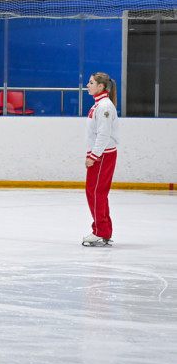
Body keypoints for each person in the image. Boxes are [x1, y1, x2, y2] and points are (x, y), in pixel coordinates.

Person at [82, 72, 120, 247]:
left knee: (96, 193)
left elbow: (103, 135)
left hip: (103, 155)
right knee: (96, 192)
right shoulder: (99, 104)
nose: (87, 85)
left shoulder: (104, 107)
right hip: (101, 154)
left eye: (91, 83)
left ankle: (100, 230)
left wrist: (94, 156)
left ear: (101, 86)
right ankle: (104, 229)